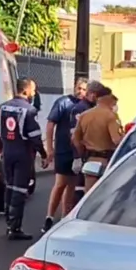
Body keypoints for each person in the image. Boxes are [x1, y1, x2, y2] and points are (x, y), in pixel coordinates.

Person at [0, 78, 47, 240]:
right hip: (22, 154)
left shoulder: (3, 107)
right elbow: (35, 137)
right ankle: (15, 228)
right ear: (25, 90)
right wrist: (43, 154)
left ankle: (9, 223)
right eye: (33, 90)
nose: (34, 93)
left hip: (8, 152)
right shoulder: (29, 110)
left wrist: (4, 148)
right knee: (19, 190)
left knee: (9, 188)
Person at [42, 78, 87, 233]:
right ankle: (49, 217)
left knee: (72, 185)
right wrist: (50, 147)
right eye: (79, 88)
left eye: (84, 89)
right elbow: (50, 124)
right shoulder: (64, 102)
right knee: (60, 183)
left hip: (76, 151)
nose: (80, 91)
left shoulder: (87, 107)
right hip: (62, 149)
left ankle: (64, 218)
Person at [72, 87, 124, 194]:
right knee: (105, 196)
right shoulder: (111, 116)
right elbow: (116, 140)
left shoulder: (84, 115)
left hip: (90, 161)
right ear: (110, 100)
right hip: (106, 161)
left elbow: (75, 139)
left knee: (89, 196)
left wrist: (81, 153)